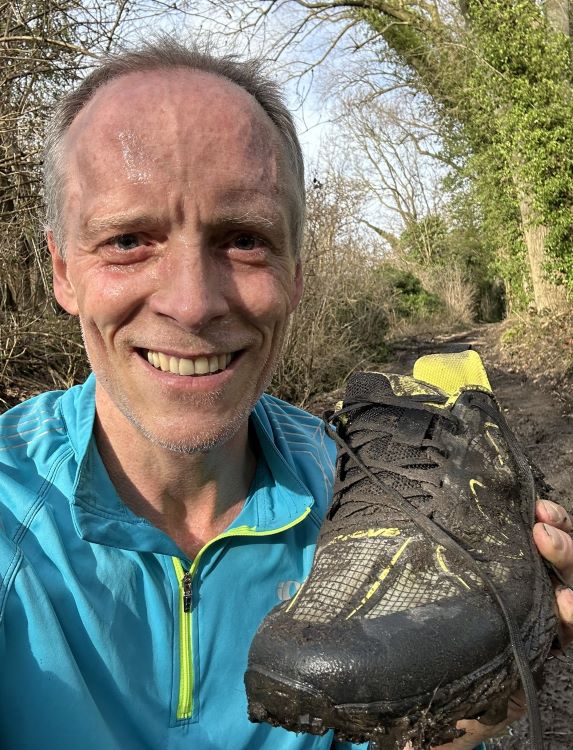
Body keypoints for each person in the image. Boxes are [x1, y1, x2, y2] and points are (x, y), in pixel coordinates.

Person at [0, 38, 571, 750]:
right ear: (61, 271)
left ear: (296, 272)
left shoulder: (387, 503)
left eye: (243, 238)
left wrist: (437, 730)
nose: (191, 302)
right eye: (127, 241)